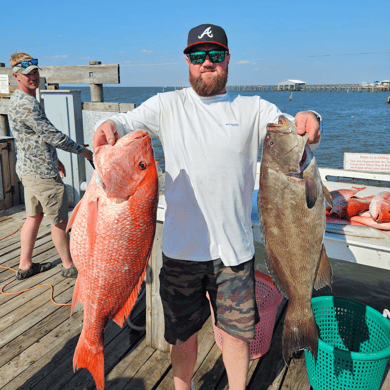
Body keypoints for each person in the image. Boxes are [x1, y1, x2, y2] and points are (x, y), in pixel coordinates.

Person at [93, 24, 321, 390]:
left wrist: (311, 118)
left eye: (215, 55)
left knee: (235, 336)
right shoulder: (168, 104)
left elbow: (292, 126)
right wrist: (108, 123)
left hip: (234, 252)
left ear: (228, 59)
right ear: (187, 62)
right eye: (198, 56)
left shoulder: (251, 108)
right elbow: (125, 122)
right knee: (181, 337)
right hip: (181, 251)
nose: (207, 63)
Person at [8, 52, 93, 280]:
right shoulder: (28, 104)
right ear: (16, 76)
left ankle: (25, 265)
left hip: (28, 170)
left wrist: (55, 159)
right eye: (27, 74)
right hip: (43, 175)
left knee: (33, 217)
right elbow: (53, 136)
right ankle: (69, 266)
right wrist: (82, 150)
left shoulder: (16, 100)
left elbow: (36, 138)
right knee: (59, 221)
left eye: (35, 72)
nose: (32, 77)